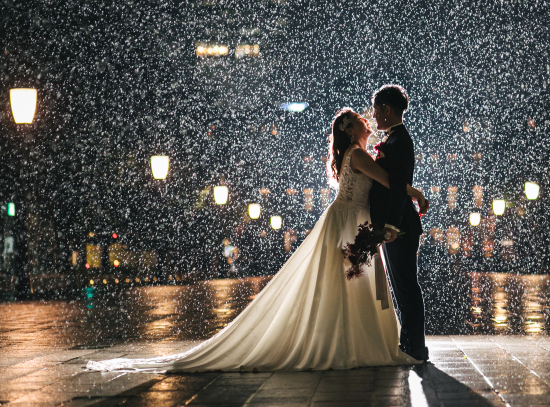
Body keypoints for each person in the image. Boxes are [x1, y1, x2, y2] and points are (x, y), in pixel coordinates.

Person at [86, 108, 428, 373]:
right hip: (351, 221)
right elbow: (387, 181)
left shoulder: (350, 154)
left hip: (346, 219)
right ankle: (352, 342)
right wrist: (416, 193)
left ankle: (343, 341)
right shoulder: (358, 154)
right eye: (358, 118)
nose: (366, 119)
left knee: (343, 282)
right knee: (352, 281)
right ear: (350, 130)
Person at [369, 84, 428, 362]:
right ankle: (411, 344)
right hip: (399, 225)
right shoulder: (395, 139)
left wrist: (391, 225)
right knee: (402, 287)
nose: (373, 116)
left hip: (401, 226)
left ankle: (415, 347)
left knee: (406, 287)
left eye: (376, 110)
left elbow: (396, 186)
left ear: (387, 109)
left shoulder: (399, 141)